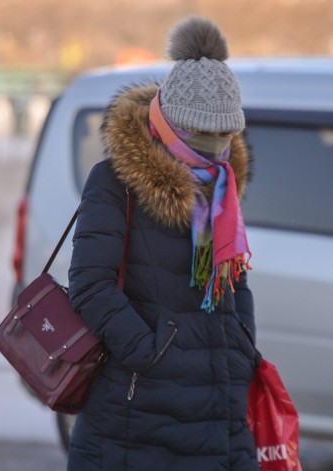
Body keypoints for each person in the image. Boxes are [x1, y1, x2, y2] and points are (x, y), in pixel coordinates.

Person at [67, 16, 259, 471]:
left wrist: (242, 350)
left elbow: (234, 282)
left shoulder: (221, 188)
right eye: (202, 137)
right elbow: (90, 287)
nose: (214, 151)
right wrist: (152, 354)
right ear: (171, 124)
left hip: (219, 409)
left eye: (224, 138)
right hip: (136, 418)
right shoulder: (115, 183)